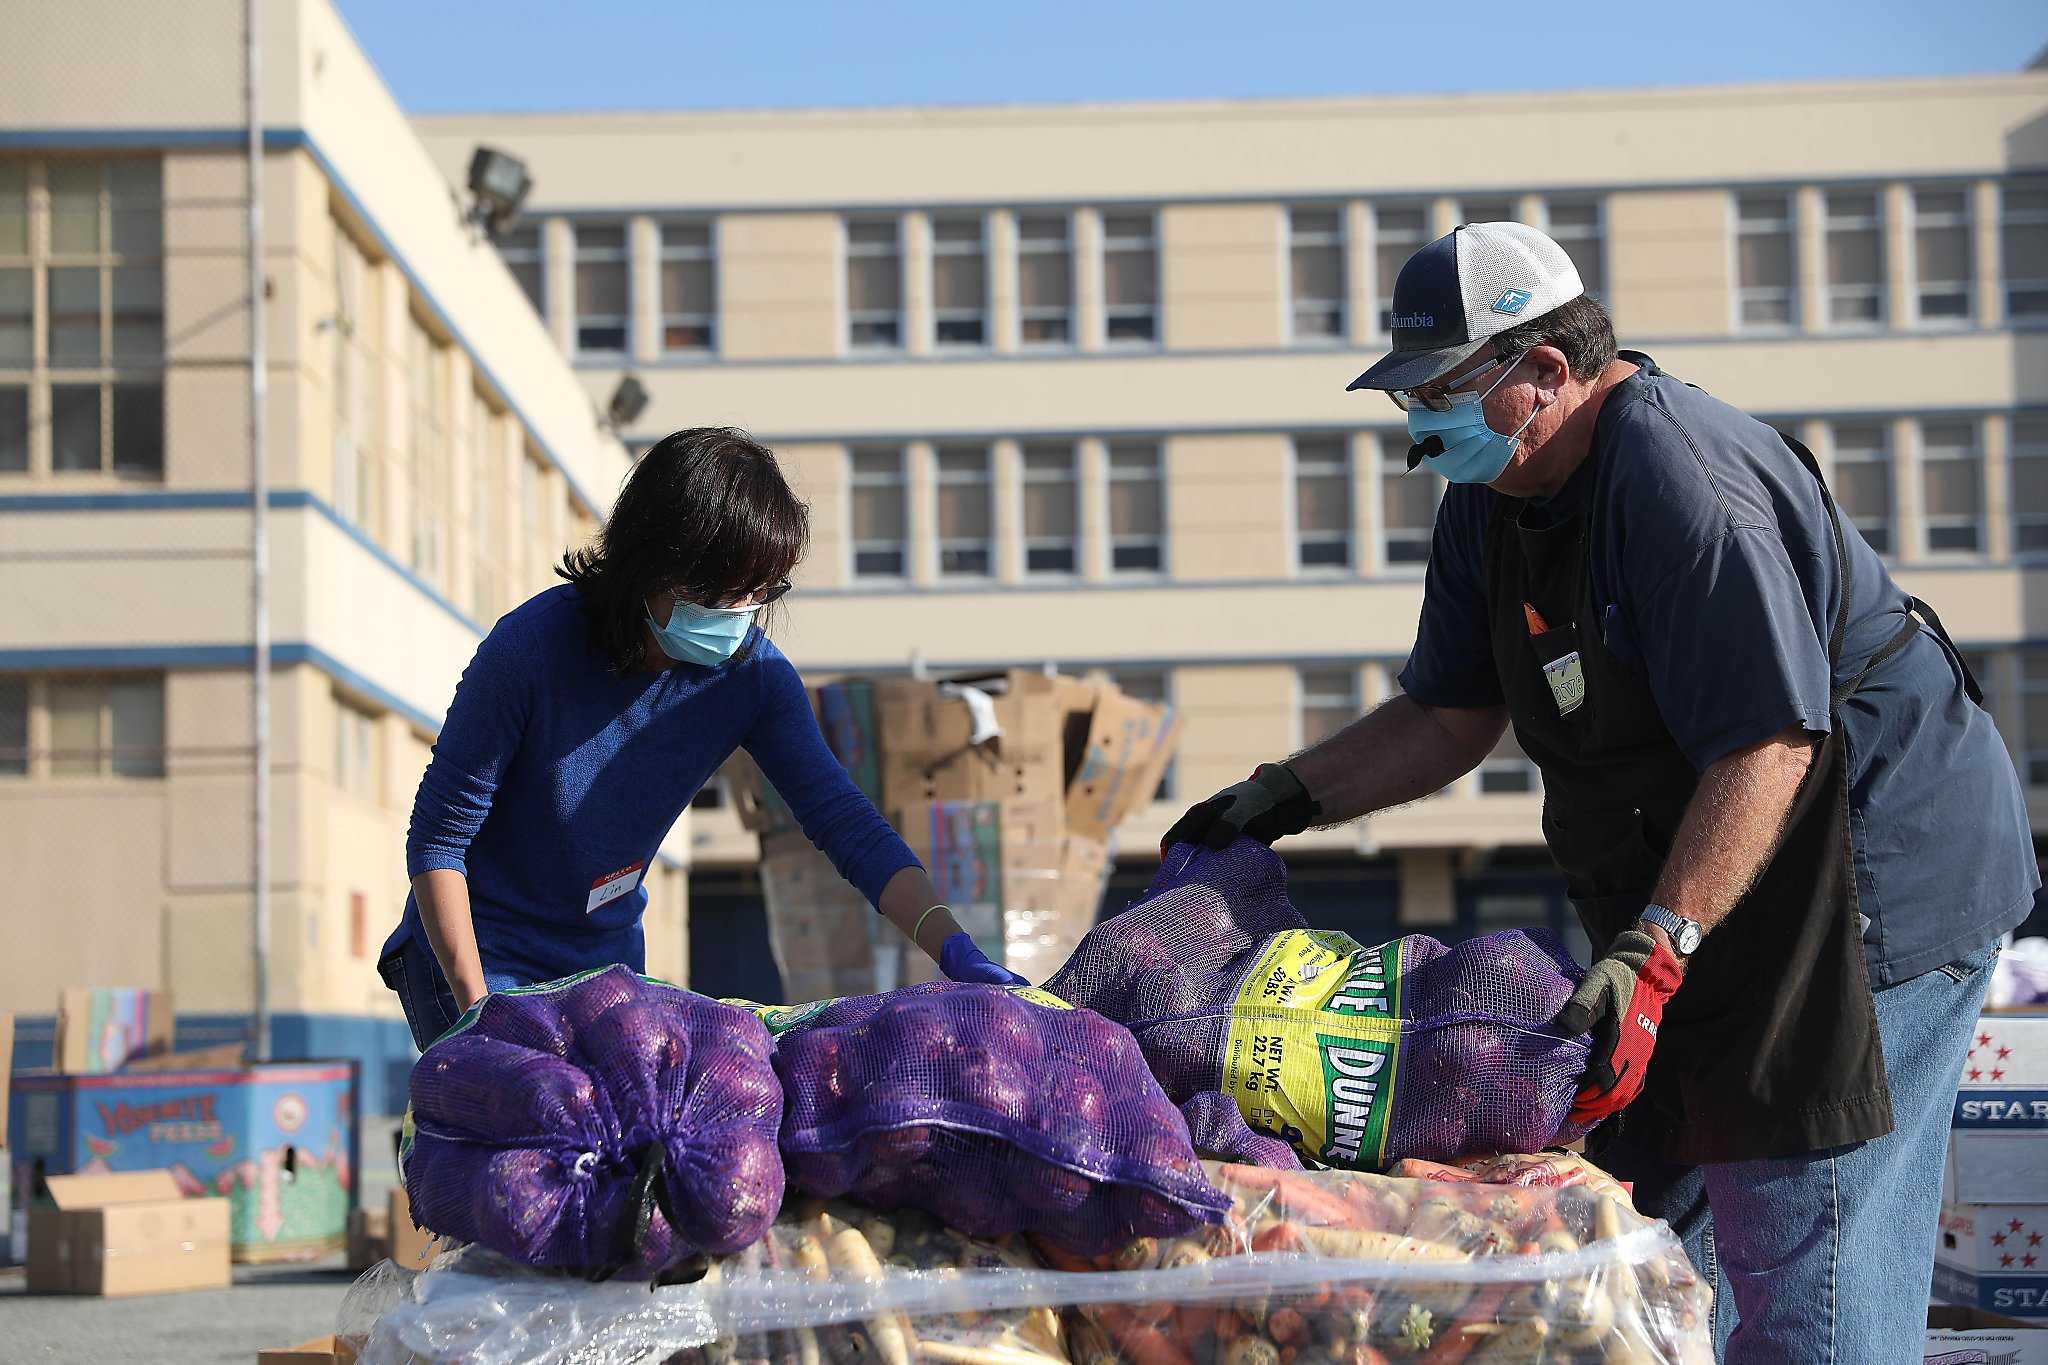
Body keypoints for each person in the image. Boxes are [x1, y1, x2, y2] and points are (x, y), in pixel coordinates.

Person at [1166, 222, 2036, 1362]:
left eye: (1436, 391)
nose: (1416, 429)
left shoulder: (1680, 479)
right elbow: (1446, 715)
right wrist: (1278, 796)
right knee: (1628, 1243)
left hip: (1860, 879)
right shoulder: (1494, 492)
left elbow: (1767, 744)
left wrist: (1657, 951)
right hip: (1706, 883)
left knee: (1794, 1225)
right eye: (1404, 397)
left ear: (1543, 369)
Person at [380, 428, 1023, 1051]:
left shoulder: (754, 679)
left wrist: (954, 949)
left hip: (602, 961)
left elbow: (846, 824)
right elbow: (438, 841)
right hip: (472, 953)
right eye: (719, 593)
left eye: (758, 592)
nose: (738, 614)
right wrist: (476, 1014)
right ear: (651, 563)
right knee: (519, 1136)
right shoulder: (529, 651)